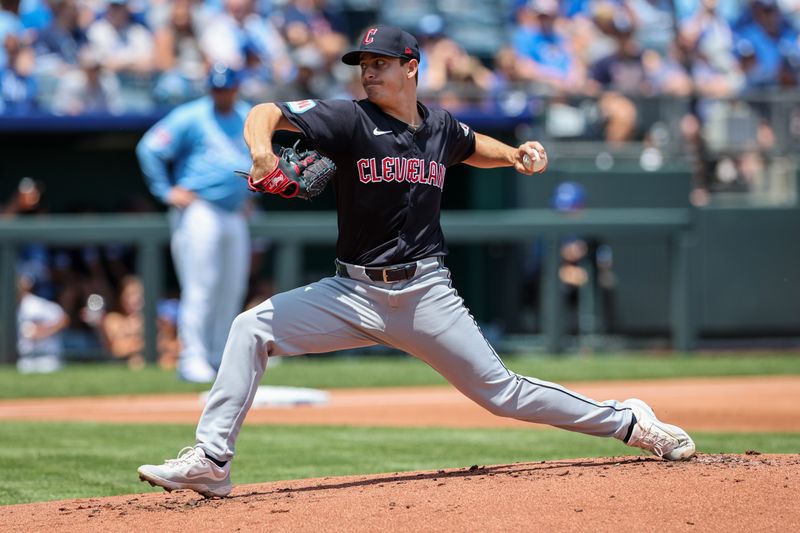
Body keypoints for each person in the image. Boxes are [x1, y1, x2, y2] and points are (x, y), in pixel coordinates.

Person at [138, 25, 695, 498]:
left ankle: (628, 421)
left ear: (411, 67)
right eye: (363, 64)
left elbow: (474, 146)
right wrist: (262, 151)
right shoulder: (348, 120)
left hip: (425, 293)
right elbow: (265, 111)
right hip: (351, 294)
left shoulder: (438, 127)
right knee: (251, 326)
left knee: (501, 393)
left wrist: (517, 155)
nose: (368, 73)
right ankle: (212, 461)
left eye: (380, 63)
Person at [136, 63, 252, 383]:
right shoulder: (192, 115)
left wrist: (251, 196)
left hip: (234, 211)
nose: (221, 94)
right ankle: (192, 356)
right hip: (200, 208)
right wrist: (165, 190)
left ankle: (218, 355)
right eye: (216, 88)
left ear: (236, 88)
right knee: (201, 286)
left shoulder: (247, 115)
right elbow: (149, 147)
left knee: (232, 286)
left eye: (226, 88)